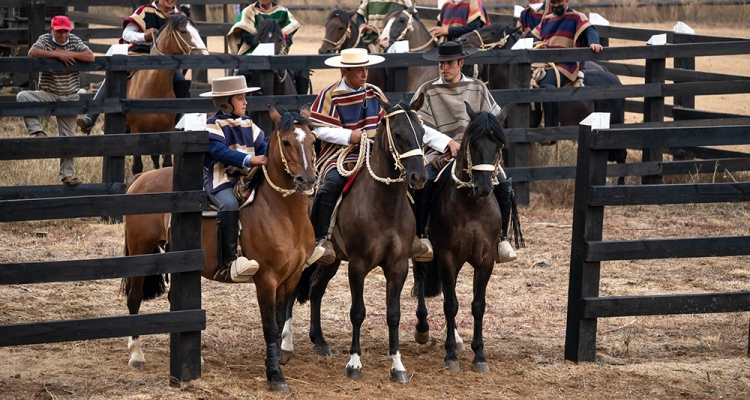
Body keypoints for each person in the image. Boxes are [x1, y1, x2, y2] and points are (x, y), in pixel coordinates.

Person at [308, 48, 436, 265]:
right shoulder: (328, 96)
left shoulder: (375, 92)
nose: (365, 73)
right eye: (359, 69)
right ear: (344, 71)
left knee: (403, 178)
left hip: (376, 152)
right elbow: (318, 129)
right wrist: (350, 136)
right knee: (331, 184)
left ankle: (412, 236)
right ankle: (320, 239)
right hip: (341, 155)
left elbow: (390, 122)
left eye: (366, 68)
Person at [411, 41, 521, 263]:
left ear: (461, 63)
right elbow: (418, 125)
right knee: (425, 182)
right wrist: (447, 142)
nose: (444, 68)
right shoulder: (428, 90)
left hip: (477, 153)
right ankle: (422, 237)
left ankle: (502, 238)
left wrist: (480, 143)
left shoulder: (478, 87)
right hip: (439, 153)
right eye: (441, 64)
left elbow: (494, 119)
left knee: (504, 183)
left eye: (449, 63)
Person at [76, 0, 192, 134]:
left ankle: (172, 123)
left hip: (165, 62)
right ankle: (91, 116)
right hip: (140, 54)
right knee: (116, 76)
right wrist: (144, 36)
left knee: (181, 83)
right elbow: (127, 33)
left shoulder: (179, 17)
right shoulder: (145, 11)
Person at [199, 76, 268, 282]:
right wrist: (249, 158)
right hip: (220, 178)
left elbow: (262, 146)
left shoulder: (248, 123)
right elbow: (219, 152)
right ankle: (228, 262)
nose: (245, 102)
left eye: (245, 97)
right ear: (225, 102)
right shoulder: (213, 125)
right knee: (229, 204)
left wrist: (269, 155)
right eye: (240, 98)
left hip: (246, 177)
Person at [17, 16, 95, 186]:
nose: (62, 35)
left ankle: (67, 175)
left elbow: (90, 56)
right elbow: (32, 52)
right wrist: (57, 54)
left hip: (70, 96)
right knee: (22, 97)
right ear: (51, 30)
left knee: (68, 137)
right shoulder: (44, 40)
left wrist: (68, 53)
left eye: (65, 31)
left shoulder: (74, 40)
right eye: (59, 31)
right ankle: (37, 131)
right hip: (49, 93)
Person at [530, 0, 602, 128]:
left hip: (565, 66)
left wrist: (594, 42)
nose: (556, 6)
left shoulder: (577, 17)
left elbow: (590, 31)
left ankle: (550, 128)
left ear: (567, 1)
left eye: (559, 3)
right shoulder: (546, 19)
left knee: (546, 84)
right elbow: (534, 37)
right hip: (544, 63)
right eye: (554, 3)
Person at [226, 0, 310, 95]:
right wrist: (265, 46)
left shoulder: (283, 12)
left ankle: (301, 103)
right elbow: (247, 37)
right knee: (243, 72)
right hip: (253, 52)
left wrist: (280, 48)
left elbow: (288, 38)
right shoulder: (248, 12)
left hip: (278, 52)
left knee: (303, 68)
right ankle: (240, 101)